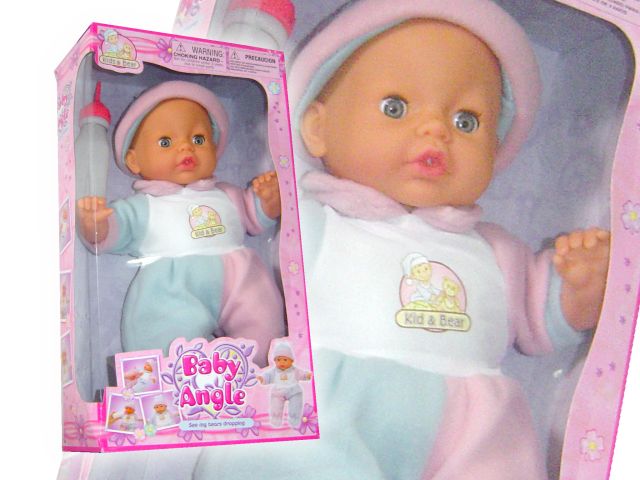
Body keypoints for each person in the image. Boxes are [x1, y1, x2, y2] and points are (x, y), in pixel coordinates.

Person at [77, 81, 285, 366]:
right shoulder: (144, 206)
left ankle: (256, 371)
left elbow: (253, 216)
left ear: (214, 147)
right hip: (172, 287)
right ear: (134, 161)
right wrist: (96, 225)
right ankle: (179, 375)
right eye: (165, 142)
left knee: (264, 323)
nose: (186, 146)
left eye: (198, 139)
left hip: (241, 277)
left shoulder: (226, 194)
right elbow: (117, 228)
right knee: (163, 336)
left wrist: (269, 201)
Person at [257, 342, 312, 428]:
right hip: (278, 392)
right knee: (275, 406)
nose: (281, 362)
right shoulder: (274, 371)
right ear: (275, 361)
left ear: (291, 361)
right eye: (278, 360)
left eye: (285, 360)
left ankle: (294, 419)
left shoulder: (295, 370)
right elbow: (268, 376)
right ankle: (276, 418)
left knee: (295, 406)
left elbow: (302, 374)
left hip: (294, 391)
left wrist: (306, 375)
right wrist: (263, 378)